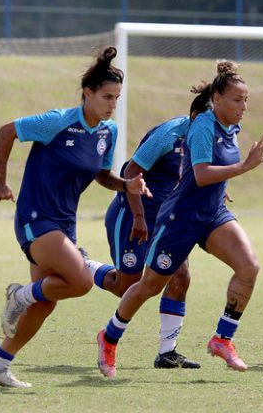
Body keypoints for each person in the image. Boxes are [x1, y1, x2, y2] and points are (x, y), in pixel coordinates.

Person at [0, 46, 151, 389]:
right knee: (81, 282)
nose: (111, 105)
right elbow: (6, 131)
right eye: (106, 97)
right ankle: (21, 295)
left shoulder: (108, 132)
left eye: (116, 98)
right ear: (87, 94)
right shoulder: (58, 122)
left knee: (46, 303)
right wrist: (0, 180)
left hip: (64, 224)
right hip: (35, 218)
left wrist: (126, 184)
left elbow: (102, 176)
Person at [96, 60, 263, 378]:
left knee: (247, 267)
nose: (244, 107)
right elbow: (200, 173)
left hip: (211, 215)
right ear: (215, 100)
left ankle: (219, 340)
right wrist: (245, 167)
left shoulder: (231, 128)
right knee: (143, 285)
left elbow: (208, 170)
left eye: (246, 99)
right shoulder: (196, 127)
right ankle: (108, 337)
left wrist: (224, 188)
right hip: (176, 217)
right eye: (238, 99)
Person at [84, 88, 212, 370]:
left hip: (169, 221)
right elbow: (131, 172)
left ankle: (167, 352)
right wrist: (139, 216)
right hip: (132, 214)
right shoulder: (170, 133)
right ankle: (84, 265)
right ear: (196, 116)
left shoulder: (210, 138)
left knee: (180, 277)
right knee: (127, 287)